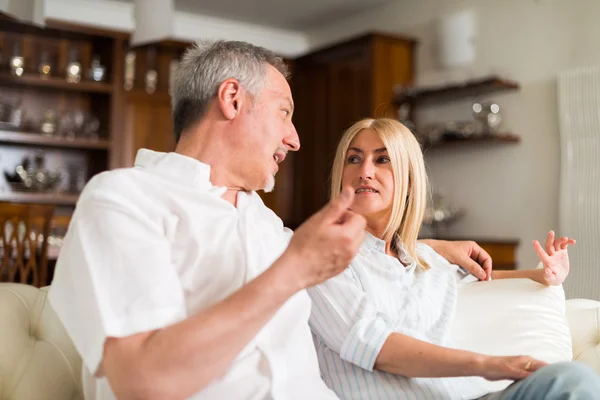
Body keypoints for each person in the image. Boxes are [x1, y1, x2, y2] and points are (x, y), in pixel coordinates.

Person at [49, 41, 498, 400]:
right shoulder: (124, 200)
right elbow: (144, 382)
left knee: (559, 388)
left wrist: (431, 249)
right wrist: (290, 273)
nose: (296, 139)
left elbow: (363, 256)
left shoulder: (267, 226)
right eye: (285, 112)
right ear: (231, 99)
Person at [307, 117, 600, 400]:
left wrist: (543, 276)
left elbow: (481, 278)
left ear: (409, 181)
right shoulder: (323, 258)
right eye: (353, 159)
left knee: (574, 380)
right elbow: (373, 345)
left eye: (382, 160)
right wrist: (490, 364)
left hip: (472, 394)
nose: (365, 171)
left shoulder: (422, 257)